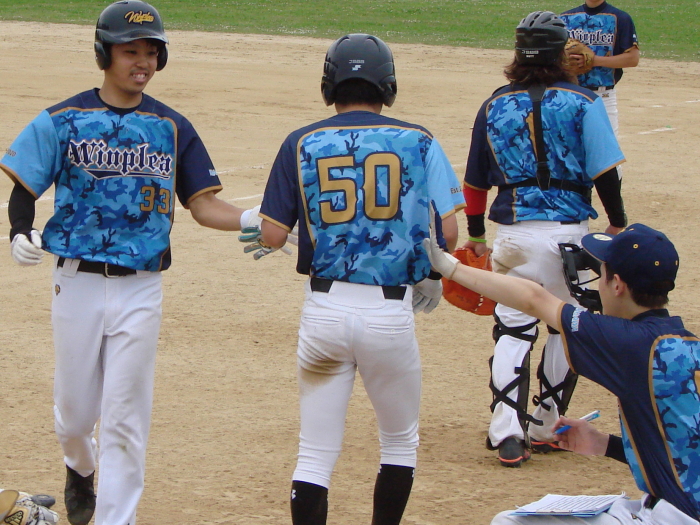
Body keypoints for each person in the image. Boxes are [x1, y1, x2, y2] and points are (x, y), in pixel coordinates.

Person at [0, 2, 264, 525]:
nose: (142, 62)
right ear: (105, 54)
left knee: (124, 420)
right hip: (75, 282)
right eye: (130, 51)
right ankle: (80, 468)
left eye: (151, 53)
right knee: (74, 418)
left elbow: (203, 204)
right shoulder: (63, 119)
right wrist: (19, 231)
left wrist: (254, 218)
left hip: (141, 289)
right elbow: (25, 187)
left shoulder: (171, 126)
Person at [240, 33, 464, 525]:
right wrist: (430, 270)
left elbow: (272, 235)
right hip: (389, 312)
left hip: (323, 312)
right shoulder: (420, 139)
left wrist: (266, 222)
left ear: (329, 85)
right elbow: (446, 232)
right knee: (399, 443)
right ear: (387, 85)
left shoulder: (301, 140)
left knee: (314, 454)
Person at [424, 222, 700, 525]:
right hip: (675, 509)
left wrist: (451, 268)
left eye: (602, 274)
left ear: (617, 285)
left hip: (673, 518)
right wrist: (605, 444)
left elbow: (534, 299)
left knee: (510, 522)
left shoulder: (627, 341)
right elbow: (683, 446)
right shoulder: (688, 344)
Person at [461, 10, 627, 468]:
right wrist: (616, 223)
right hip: (569, 237)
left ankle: (507, 434)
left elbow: (474, 182)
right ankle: (545, 424)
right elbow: (605, 172)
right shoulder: (584, 101)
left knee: (513, 328)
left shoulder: (494, 105)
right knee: (565, 327)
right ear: (559, 54)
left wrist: (476, 234)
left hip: (514, 235)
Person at [560, 0, 640, 140]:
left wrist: (593, 60)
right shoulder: (565, 19)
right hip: (570, 94)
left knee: (607, 148)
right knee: (568, 146)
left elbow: (632, 59)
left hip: (603, 97)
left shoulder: (620, 18)